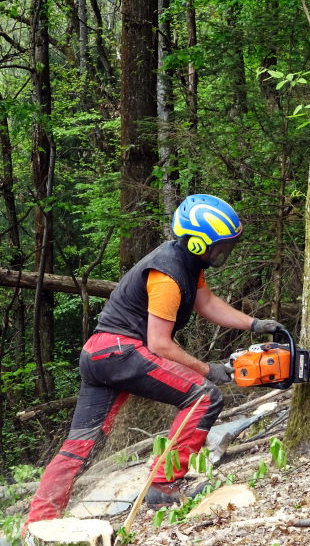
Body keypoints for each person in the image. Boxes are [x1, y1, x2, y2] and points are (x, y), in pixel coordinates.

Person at [25, 194, 282, 524]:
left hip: (99, 351)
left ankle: (39, 521)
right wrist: (210, 370)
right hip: (119, 351)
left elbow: (206, 303)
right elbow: (159, 345)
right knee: (205, 396)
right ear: (198, 241)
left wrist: (254, 324)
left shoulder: (187, 264)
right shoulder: (168, 275)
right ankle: (164, 486)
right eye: (219, 245)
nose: (223, 252)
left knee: (82, 444)